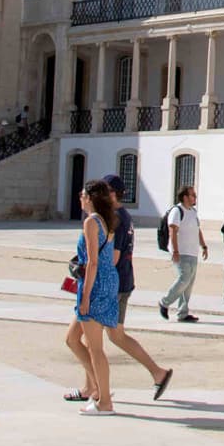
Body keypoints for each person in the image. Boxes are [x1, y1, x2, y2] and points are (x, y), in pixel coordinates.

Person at [98, 173, 173, 399]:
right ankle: (157, 373)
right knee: (115, 336)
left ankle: (95, 390)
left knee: (90, 337)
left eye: (103, 191)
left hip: (113, 284)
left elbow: (114, 257)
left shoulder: (116, 218)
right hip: (124, 281)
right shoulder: (124, 216)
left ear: (112, 193)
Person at [63, 180, 120, 415]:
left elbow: (93, 261)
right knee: (72, 339)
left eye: (82, 194)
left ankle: (104, 401)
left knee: (95, 347)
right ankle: (98, 388)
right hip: (107, 281)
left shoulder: (91, 222)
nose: (80, 197)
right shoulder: (106, 220)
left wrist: (85, 296)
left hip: (94, 285)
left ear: (90, 197)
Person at [159, 186, 206, 322]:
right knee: (184, 279)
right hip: (181, 252)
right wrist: (175, 250)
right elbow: (172, 231)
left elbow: (198, 230)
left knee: (189, 283)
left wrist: (204, 245)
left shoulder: (193, 212)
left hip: (192, 252)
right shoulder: (177, 211)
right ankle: (164, 302)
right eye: (192, 195)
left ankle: (183, 313)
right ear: (185, 197)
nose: (195, 198)